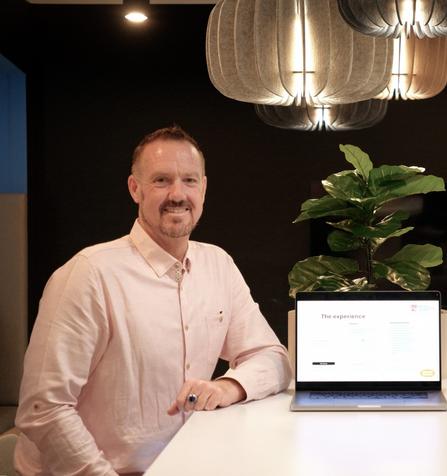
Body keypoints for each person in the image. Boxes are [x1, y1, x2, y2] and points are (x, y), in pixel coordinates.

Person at [14, 126, 292, 475]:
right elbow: (43, 409)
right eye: (162, 180)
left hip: (184, 464)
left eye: (189, 181)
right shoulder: (88, 274)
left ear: (203, 188)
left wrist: (228, 386)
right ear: (135, 189)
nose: (178, 194)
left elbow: (273, 357)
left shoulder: (217, 264)